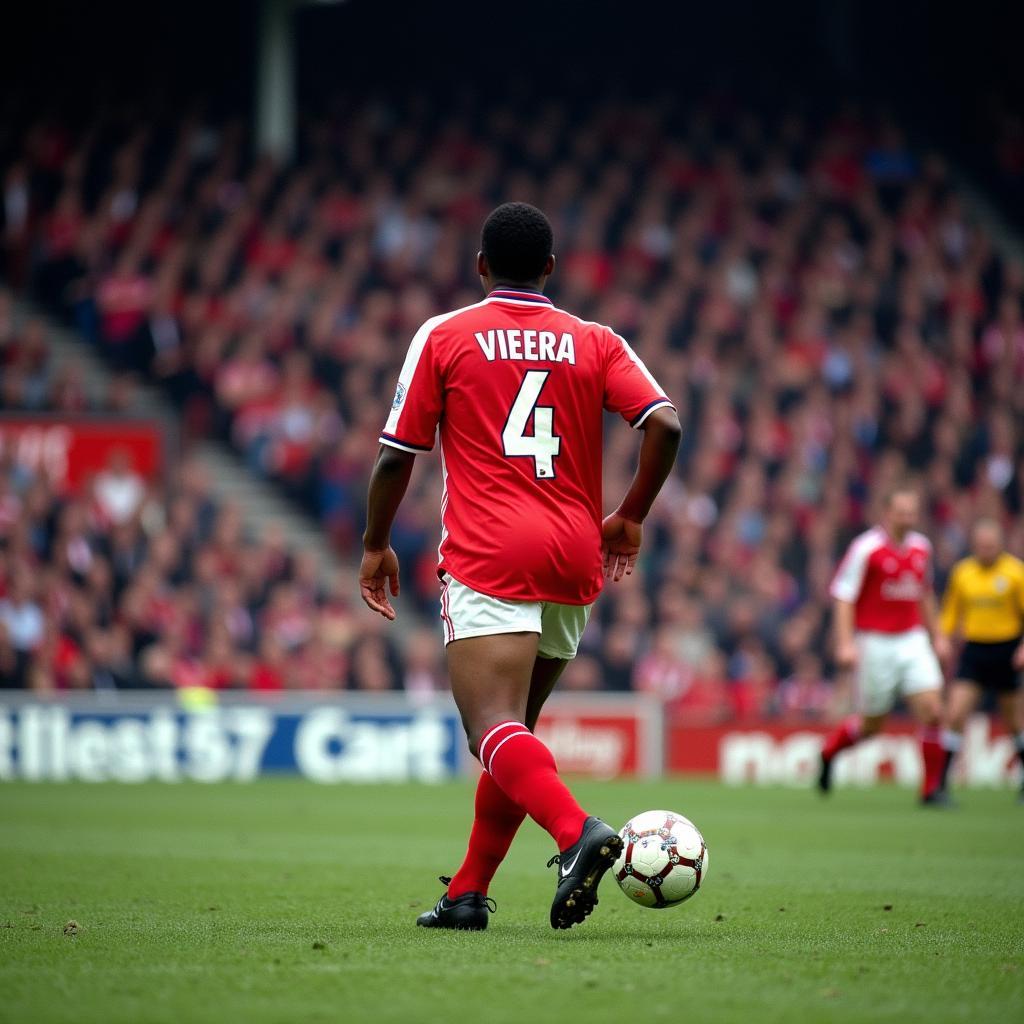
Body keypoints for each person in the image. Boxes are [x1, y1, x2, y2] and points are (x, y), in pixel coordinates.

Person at [359, 202, 680, 930]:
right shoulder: (595, 340)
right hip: (574, 554)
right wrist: (630, 515)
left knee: (490, 730)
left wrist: (376, 543)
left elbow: (394, 457)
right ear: (551, 269)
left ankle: (577, 834)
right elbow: (664, 422)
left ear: (480, 267)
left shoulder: (444, 334)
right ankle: (466, 894)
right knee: (517, 734)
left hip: (490, 552)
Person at [817, 486, 951, 804]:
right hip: (874, 642)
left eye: (912, 511)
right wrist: (846, 643)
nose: (907, 517)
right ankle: (828, 753)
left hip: (912, 639)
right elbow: (844, 596)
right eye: (901, 511)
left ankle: (931, 790)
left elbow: (925, 593)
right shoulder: (866, 549)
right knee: (871, 725)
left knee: (933, 710)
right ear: (887, 513)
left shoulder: (922, 548)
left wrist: (939, 635)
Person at [935, 518, 1024, 802]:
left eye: (991, 545)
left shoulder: (1015, 573)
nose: (986, 550)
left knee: (1014, 721)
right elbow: (950, 612)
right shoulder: (963, 573)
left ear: (1001, 545)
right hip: (974, 651)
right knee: (956, 714)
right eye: (982, 546)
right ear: (974, 546)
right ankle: (941, 786)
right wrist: (943, 639)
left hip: (1006, 652)